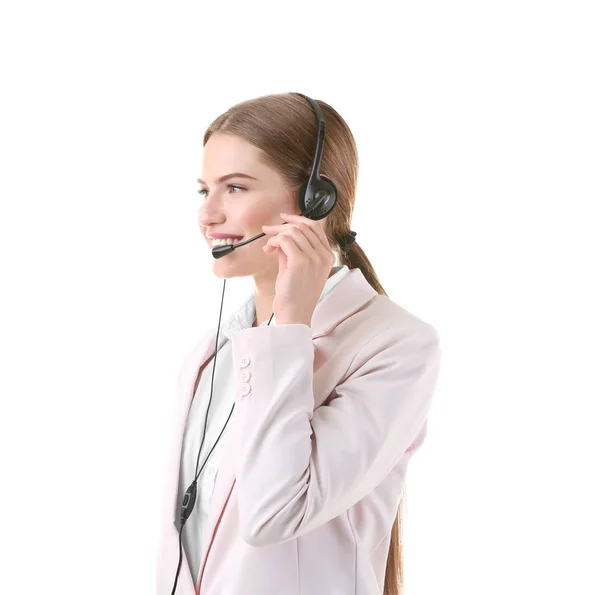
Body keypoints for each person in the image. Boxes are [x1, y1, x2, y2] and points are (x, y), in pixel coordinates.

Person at [155, 92, 442, 595]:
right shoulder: (210, 353)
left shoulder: (397, 347)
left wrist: (290, 326)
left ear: (314, 200)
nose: (208, 214)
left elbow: (274, 513)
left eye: (236, 188)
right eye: (204, 191)